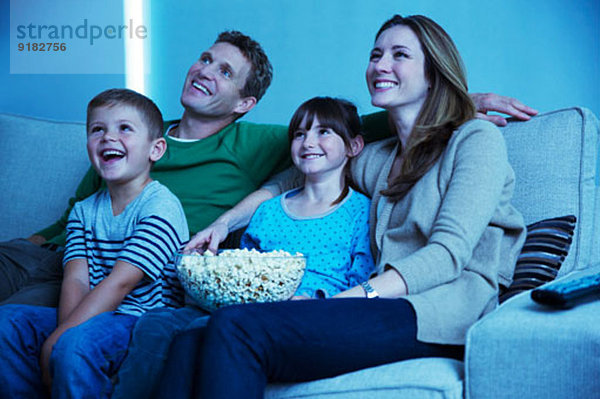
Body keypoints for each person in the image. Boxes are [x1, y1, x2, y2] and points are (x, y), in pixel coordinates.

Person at [164, 14, 527, 398]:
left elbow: (447, 255)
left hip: (439, 313)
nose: (380, 66)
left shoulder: (475, 140)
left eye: (399, 55)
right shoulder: (380, 158)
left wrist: (340, 303)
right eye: (375, 54)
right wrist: (224, 224)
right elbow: (291, 178)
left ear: (433, 74)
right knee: (187, 343)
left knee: (237, 327)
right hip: (382, 309)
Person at [0, 88, 189, 398]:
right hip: (95, 315)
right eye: (97, 129)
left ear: (155, 150)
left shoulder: (161, 206)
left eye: (124, 128)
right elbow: (76, 279)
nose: (107, 137)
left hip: (141, 320)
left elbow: (120, 284)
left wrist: (59, 341)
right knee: (8, 323)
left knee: (74, 345)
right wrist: (61, 334)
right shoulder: (83, 211)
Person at [241, 96, 374, 299]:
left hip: (325, 316)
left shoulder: (361, 211)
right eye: (300, 134)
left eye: (323, 132)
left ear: (352, 146)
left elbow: (363, 282)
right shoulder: (268, 211)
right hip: (261, 311)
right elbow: (243, 274)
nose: (308, 143)